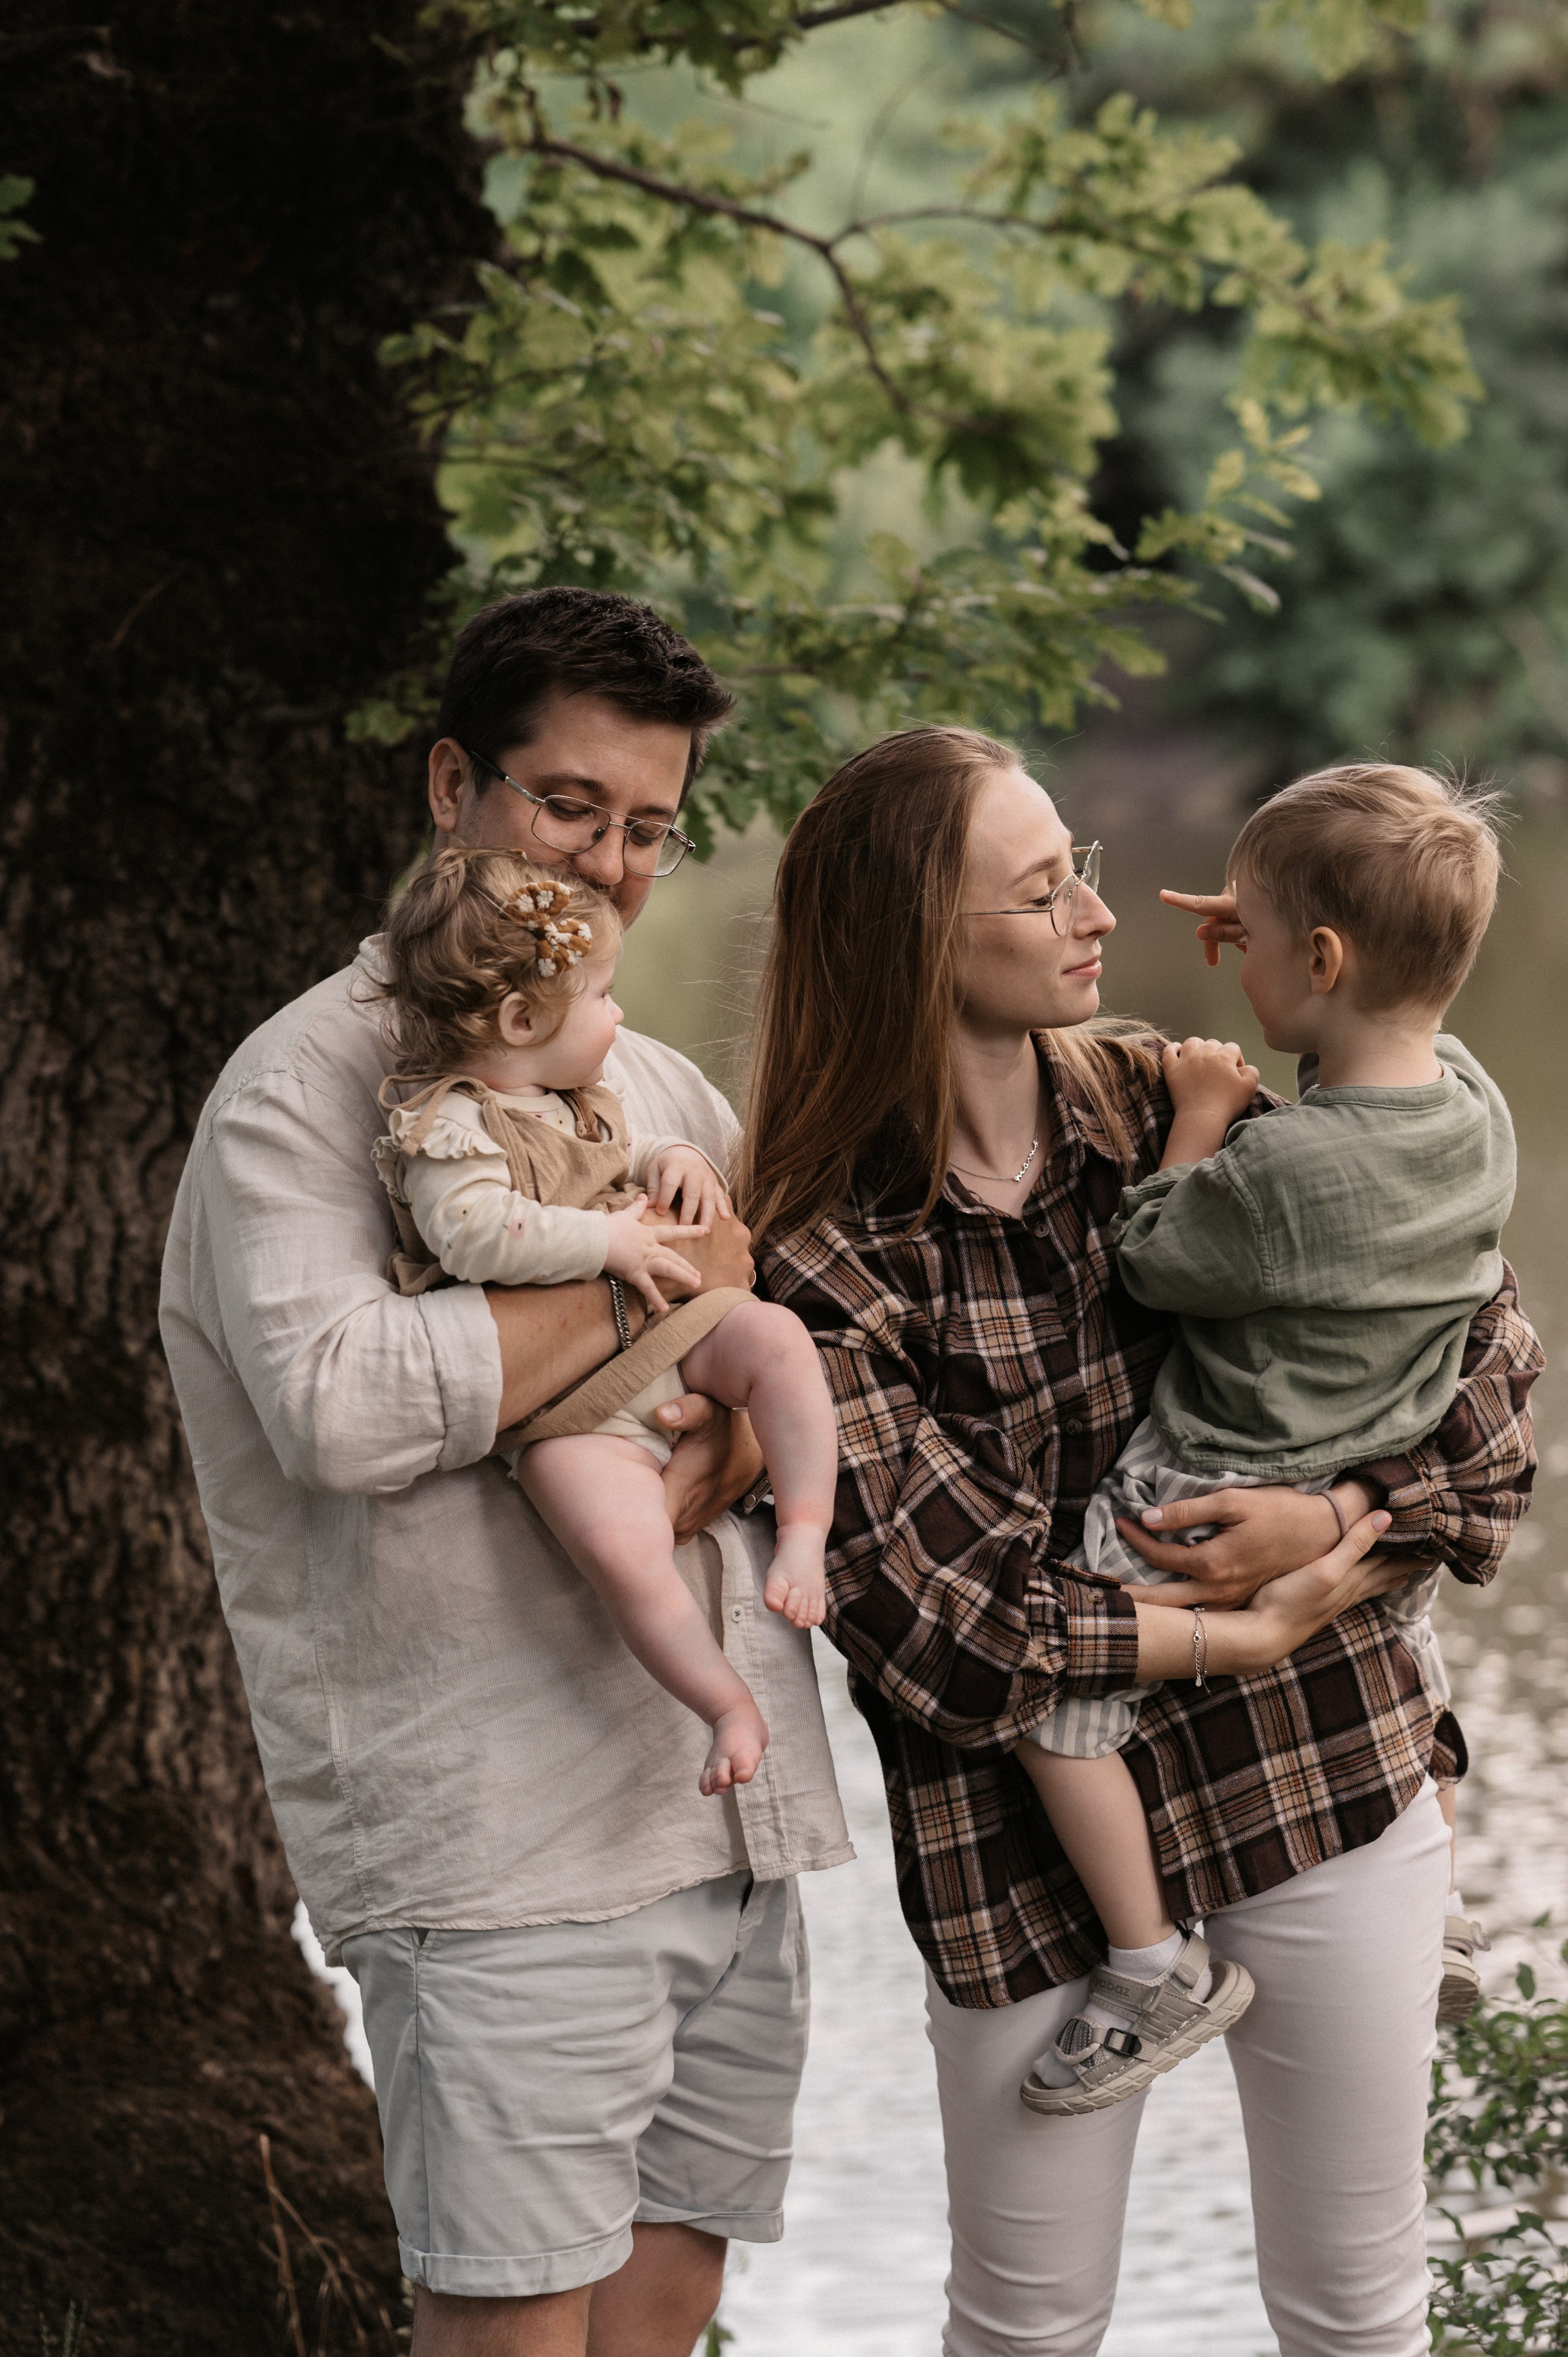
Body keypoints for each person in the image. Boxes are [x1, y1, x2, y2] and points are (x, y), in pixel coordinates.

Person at [746, 726, 1540, 2357]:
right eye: (1043, 891)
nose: (1097, 916)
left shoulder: (1185, 1101)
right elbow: (947, 1624)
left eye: (1081, 870)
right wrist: (1232, 1623)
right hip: (1028, 1857)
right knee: (1029, 2328)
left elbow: (1488, 1376)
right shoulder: (827, 1259)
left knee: (1358, 2309)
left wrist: (1337, 1517)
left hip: (1314, 1765)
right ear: (916, 944)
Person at [160, 589, 852, 2357]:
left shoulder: (662, 1085)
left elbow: (749, 1369)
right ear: (451, 787)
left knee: (670, 2305)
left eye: (647, 828)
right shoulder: (305, 1093)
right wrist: (652, 1283)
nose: (612, 863)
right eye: (568, 805)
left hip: (719, 1816)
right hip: (502, 1849)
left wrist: (737, 1398)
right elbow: (344, 1403)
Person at [1012, 765, 1513, 2112]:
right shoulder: (1473, 1107)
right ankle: (1445, 1906)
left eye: (1257, 937)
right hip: (1376, 1464)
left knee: (1059, 1707)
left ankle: (1145, 1963)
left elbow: (1154, 1254)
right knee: (1417, 1661)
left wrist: (1196, 1113)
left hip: (1219, 1468)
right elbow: (1374, 1052)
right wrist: (1301, 944)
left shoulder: (1278, 1174)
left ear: (1323, 955)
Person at [372, 844, 836, 1795]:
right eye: (600, 998)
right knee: (626, 1554)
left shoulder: (577, 1096)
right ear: (519, 1018)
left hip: (663, 1339)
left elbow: (626, 1150)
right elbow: (474, 1238)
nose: (618, 1016)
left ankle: (803, 1529)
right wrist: (607, 1248)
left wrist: (680, 1162)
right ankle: (722, 1704)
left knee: (780, 1343)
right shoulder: (448, 1130)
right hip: (564, 1411)